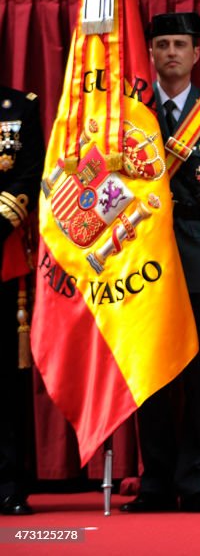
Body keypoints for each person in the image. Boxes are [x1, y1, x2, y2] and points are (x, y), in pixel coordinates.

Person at [121, 12, 200, 514]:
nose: (171, 52)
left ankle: (196, 479)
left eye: (180, 44)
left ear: (197, 54)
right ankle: (155, 480)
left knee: (199, 375)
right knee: (151, 372)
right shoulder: (132, 109)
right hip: (144, 253)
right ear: (149, 53)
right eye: (161, 44)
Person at [0, 85, 43, 516]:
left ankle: (9, 483)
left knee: (6, 381)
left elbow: (30, 171)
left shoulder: (17, 107)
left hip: (2, 250)